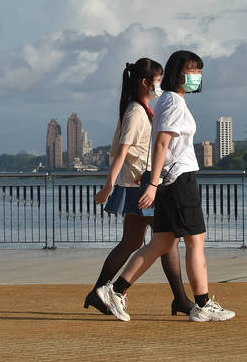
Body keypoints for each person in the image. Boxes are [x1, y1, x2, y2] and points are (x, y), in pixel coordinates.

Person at [96, 50, 235, 322]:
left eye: (198, 70)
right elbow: (161, 144)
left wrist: (154, 183)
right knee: (196, 242)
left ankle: (116, 290)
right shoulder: (172, 102)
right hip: (178, 179)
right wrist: (153, 183)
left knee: (160, 242)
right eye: (192, 70)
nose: (196, 76)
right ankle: (203, 304)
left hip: (169, 180)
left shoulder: (167, 101)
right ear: (177, 73)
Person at [84, 58, 194, 316]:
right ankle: (179, 299)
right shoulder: (136, 111)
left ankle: (100, 291)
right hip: (141, 186)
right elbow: (122, 153)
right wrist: (108, 186)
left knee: (136, 241)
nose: (161, 84)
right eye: (158, 79)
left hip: (139, 184)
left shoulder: (142, 108)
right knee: (166, 240)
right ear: (145, 82)